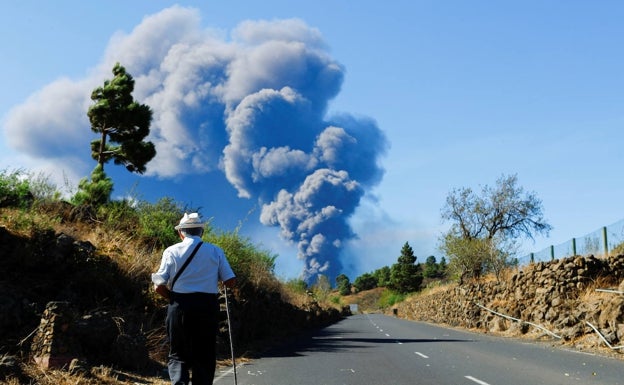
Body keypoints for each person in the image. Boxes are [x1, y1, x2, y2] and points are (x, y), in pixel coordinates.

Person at [152, 212, 236, 385]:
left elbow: (158, 286)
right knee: (204, 354)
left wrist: (173, 298)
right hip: (206, 307)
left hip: (179, 306)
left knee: (178, 354)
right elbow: (230, 281)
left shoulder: (171, 251)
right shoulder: (215, 251)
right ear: (201, 232)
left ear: (180, 232)